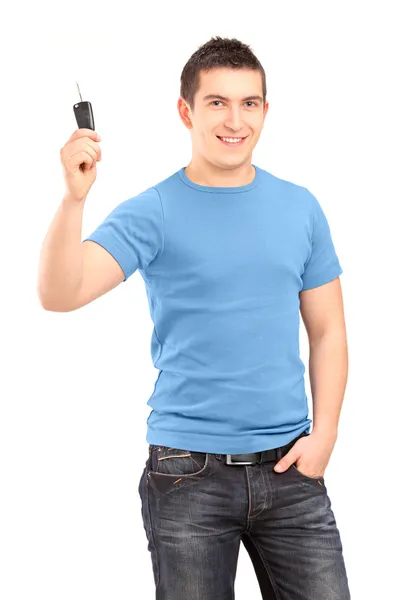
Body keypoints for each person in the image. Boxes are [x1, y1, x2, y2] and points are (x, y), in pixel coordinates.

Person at [37, 36, 351, 600]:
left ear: (264, 110)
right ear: (186, 111)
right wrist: (72, 200)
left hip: (292, 470)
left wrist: (324, 433)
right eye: (216, 102)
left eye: (248, 103)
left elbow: (327, 330)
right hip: (187, 476)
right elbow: (61, 293)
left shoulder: (301, 207)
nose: (235, 120)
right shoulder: (154, 210)